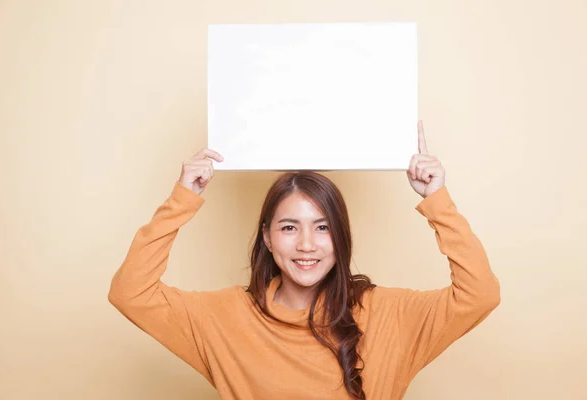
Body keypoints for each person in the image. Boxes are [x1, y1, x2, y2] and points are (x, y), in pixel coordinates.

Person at [108, 121, 501, 400]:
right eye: (290, 228)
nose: (307, 245)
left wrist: (437, 200)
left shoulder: (389, 314)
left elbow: (479, 295)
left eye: (324, 228)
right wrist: (183, 198)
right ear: (267, 236)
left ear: (341, 237)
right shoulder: (223, 318)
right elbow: (130, 293)